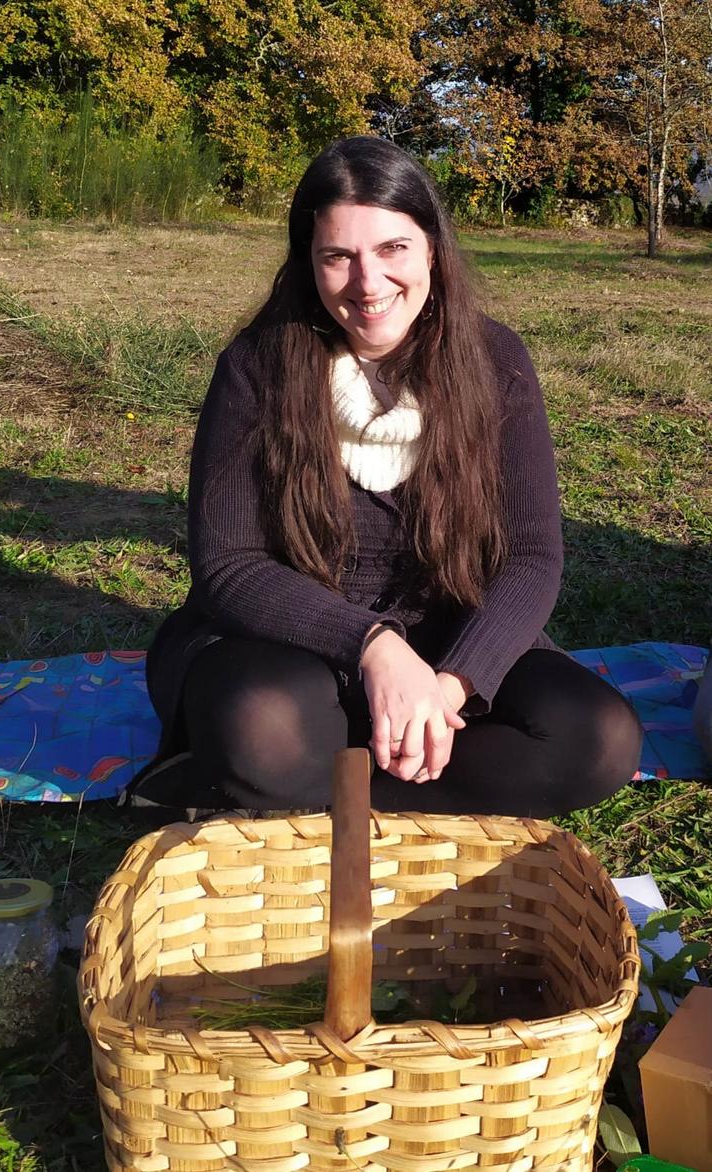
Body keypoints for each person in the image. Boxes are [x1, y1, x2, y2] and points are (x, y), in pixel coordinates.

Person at [133, 135, 642, 818]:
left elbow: (531, 557)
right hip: (282, 640)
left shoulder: (496, 362)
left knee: (597, 739)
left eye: (392, 249)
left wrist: (452, 684)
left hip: (443, 632)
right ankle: (293, 767)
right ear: (307, 263)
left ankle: (312, 782)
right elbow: (229, 567)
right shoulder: (258, 366)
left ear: (432, 246)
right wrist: (372, 647)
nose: (368, 284)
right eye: (338, 256)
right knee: (262, 728)